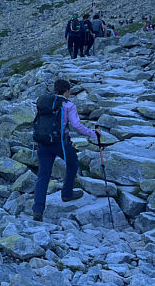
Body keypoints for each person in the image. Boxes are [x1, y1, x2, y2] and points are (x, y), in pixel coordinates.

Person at [32, 79, 100, 221]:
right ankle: (67, 193)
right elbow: (76, 125)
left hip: (43, 142)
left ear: (55, 89)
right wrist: (93, 133)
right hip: (60, 143)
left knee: (43, 175)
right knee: (73, 163)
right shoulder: (68, 105)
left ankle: (38, 210)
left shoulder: (45, 102)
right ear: (67, 91)